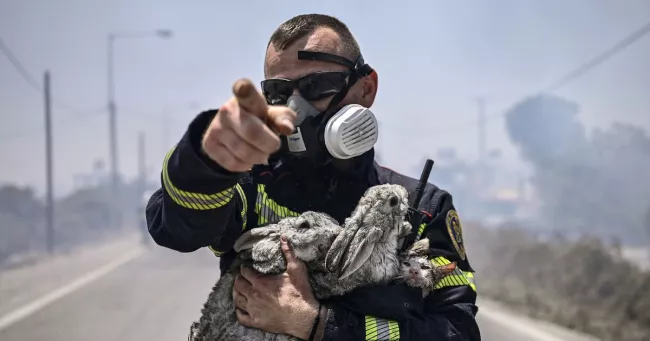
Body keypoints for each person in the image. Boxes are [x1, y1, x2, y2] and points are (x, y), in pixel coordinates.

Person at [146, 13, 480, 341]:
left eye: (316, 86)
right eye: (279, 92)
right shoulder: (248, 185)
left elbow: (458, 331)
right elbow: (177, 230)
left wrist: (318, 324)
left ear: (366, 89)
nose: (295, 108)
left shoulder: (415, 208)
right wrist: (207, 163)